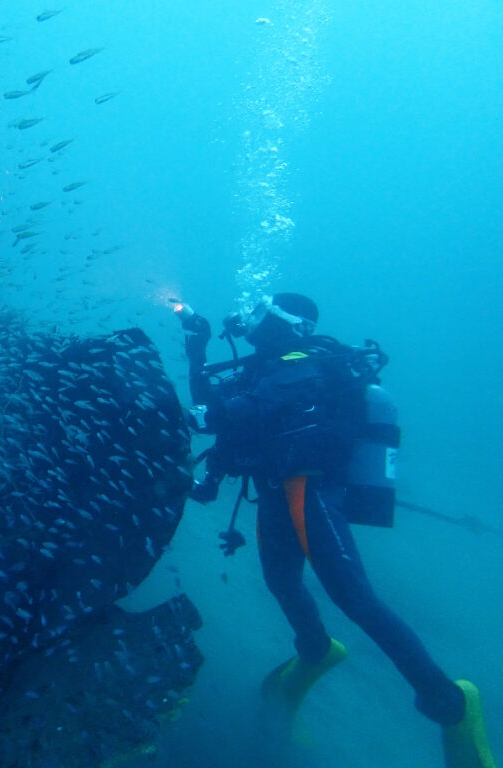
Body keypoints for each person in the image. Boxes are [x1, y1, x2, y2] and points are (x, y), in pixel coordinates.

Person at [177, 292, 496, 768]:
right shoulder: (265, 368)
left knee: (353, 597)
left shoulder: (303, 365)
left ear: (290, 324)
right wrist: (196, 350)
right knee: (281, 582)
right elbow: (224, 417)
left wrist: (189, 411)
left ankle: (451, 704)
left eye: (262, 312)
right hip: (276, 489)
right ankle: (316, 652)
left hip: (311, 489)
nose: (251, 321)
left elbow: (219, 415)